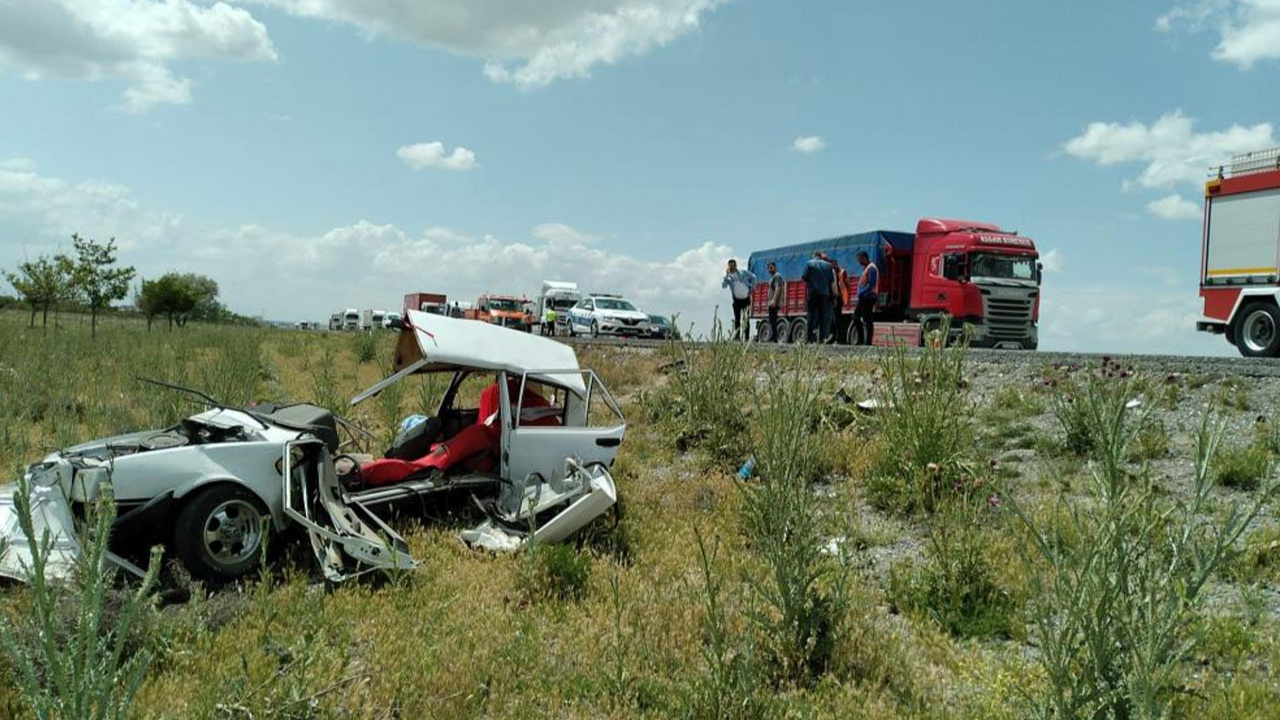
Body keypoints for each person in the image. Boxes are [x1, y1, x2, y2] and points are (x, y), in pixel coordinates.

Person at [800, 251, 834, 343]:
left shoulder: (809, 263)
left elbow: (804, 277)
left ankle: (810, 338)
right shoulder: (829, 266)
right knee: (823, 317)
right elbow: (832, 282)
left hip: (813, 294)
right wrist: (834, 295)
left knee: (811, 316)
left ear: (813, 256)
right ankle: (823, 339)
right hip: (825, 295)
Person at [722, 259, 757, 340]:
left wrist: (752, 288)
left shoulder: (743, 273)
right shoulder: (728, 277)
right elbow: (724, 286)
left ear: (736, 265)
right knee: (737, 319)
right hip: (736, 300)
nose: (732, 267)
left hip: (746, 299)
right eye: (730, 266)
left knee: (746, 319)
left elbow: (754, 277)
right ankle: (737, 337)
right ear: (728, 266)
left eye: (733, 265)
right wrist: (726, 276)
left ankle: (746, 337)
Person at [853, 251, 879, 346]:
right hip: (865, 297)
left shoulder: (871, 268)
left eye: (859, 260)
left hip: (868, 297)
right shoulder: (866, 268)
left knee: (867, 319)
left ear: (864, 258)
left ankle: (867, 341)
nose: (859, 262)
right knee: (858, 317)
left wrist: (862, 293)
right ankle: (861, 340)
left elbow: (871, 283)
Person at [823, 253, 849, 342]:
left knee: (837, 319)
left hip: (837, 297)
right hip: (834, 297)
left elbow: (845, 285)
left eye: (834, 263)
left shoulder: (840, 272)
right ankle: (833, 337)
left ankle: (838, 338)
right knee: (832, 319)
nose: (833, 265)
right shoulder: (831, 272)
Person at [766, 261, 784, 342]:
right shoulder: (773, 277)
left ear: (775, 267)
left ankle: (774, 337)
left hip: (774, 302)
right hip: (771, 301)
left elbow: (778, 288)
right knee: (772, 320)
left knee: (773, 320)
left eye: (771, 268)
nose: (769, 270)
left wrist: (774, 300)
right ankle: (773, 337)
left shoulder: (777, 276)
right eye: (768, 268)